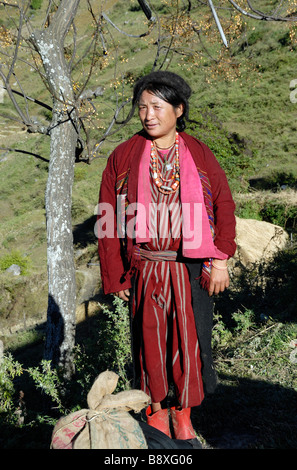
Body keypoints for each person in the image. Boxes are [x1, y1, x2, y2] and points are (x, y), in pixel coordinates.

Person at [97, 71, 236, 442]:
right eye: (142, 107)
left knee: (189, 340)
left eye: (157, 106)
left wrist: (220, 259)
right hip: (145, 266)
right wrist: (116, 275)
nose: (148, 115)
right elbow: (107, 216)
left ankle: (184, 414)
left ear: (178, 109)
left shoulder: (199, 153)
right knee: (149, 343)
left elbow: (223, 203)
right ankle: (156, 412)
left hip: (189, 268)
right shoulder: (124, 156)